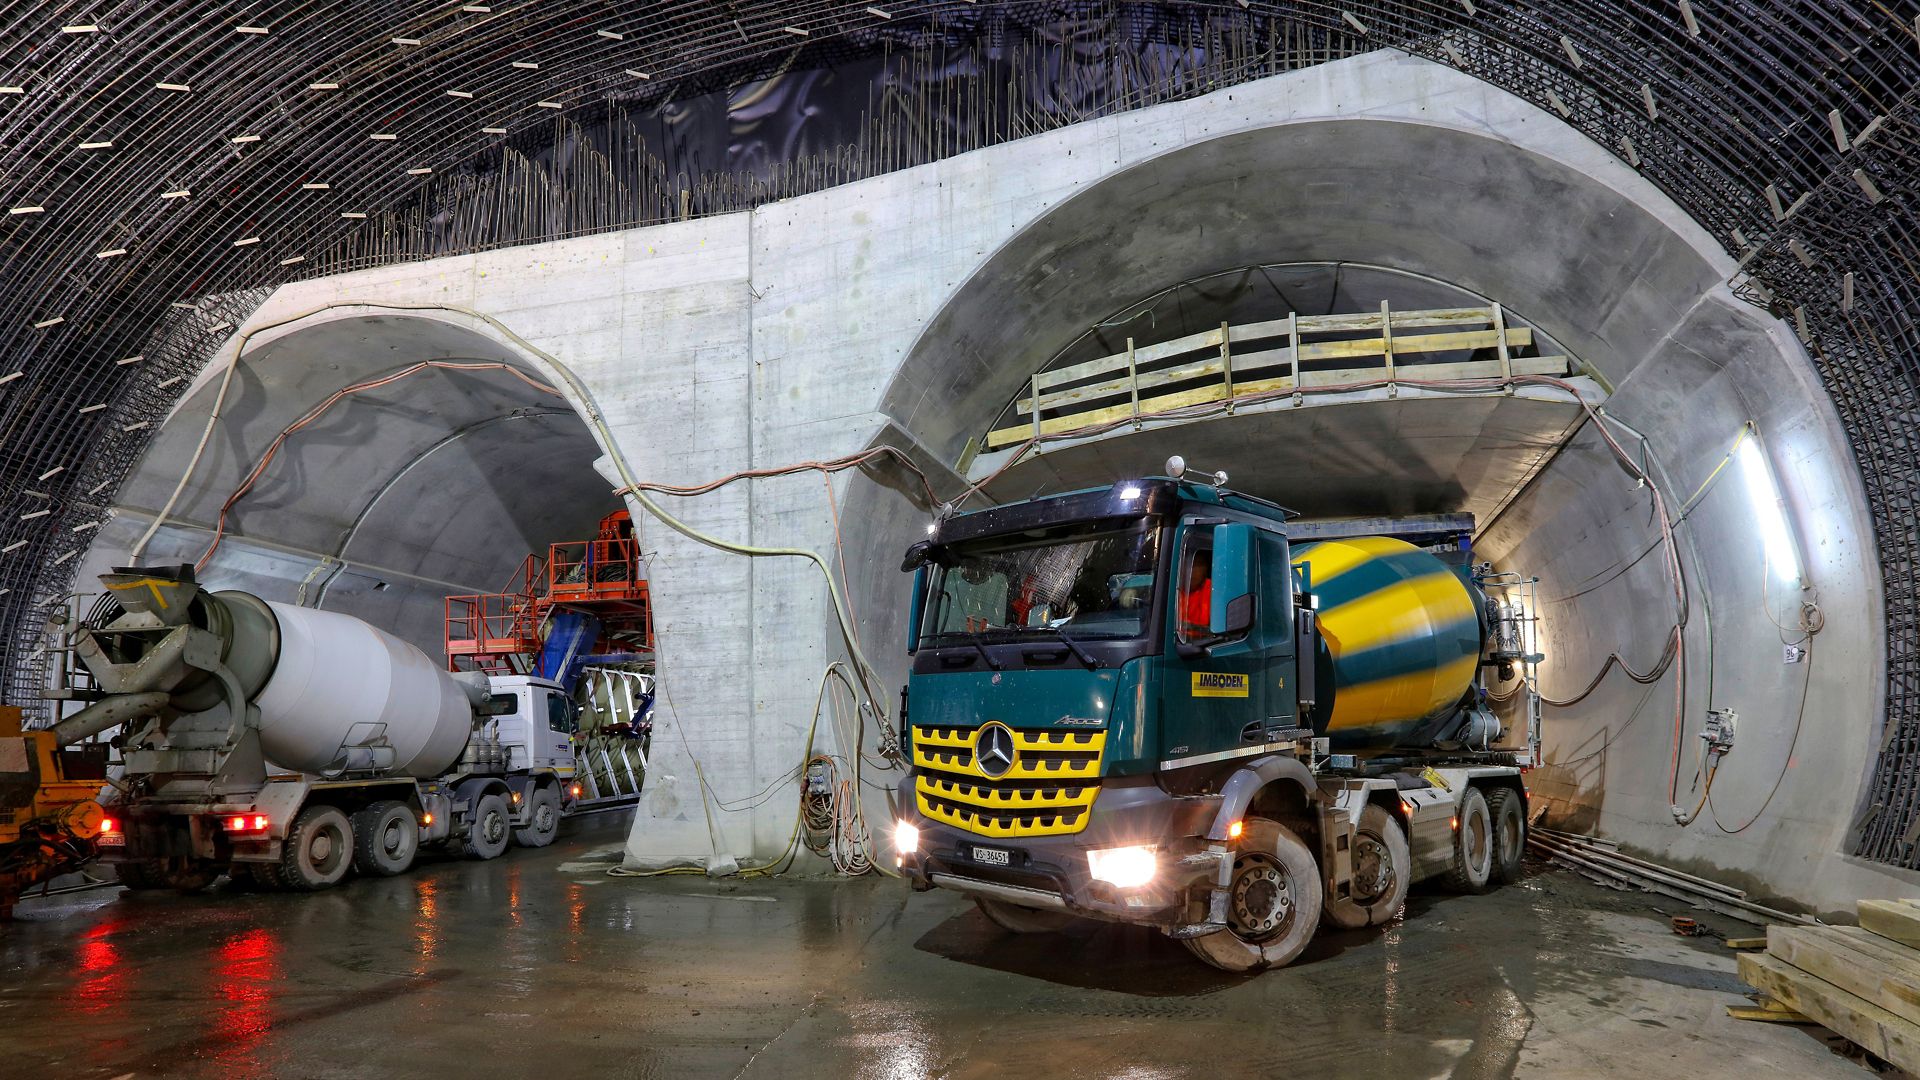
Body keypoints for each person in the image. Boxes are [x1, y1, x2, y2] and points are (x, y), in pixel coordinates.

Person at [1180, 548, 1212, 637]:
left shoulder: (1214, 590)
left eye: (1198, 565)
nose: (1192, 570)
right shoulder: (1170, 591)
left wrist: (1191, 627)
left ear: (1206, 568)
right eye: (1188, 564)